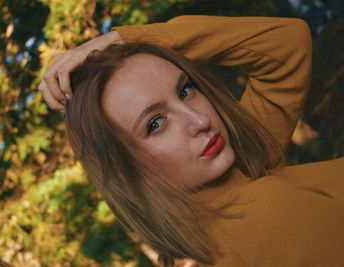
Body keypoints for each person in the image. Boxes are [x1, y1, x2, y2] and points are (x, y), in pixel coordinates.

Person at [38, 15, 344, 266]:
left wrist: (121, 41)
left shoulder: (242, 165)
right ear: (126, 167)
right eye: (155, 124)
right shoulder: (263, 220)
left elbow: (286, 44)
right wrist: (123, 39)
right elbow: (287, 43)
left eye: (185, 90)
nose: (200, 121)